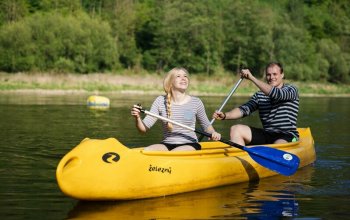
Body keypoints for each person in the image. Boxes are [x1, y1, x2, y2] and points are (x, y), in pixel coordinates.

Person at [131, 67, 221, 151]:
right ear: (170, 82)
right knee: (147, 151)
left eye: (185, 76)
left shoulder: (196, 102)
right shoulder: (160, 101)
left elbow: (206, 126)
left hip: (190, 144)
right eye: (178, 76)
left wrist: (213, 133)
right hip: (166, 144)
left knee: (174, 153)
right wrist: (137, 117)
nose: (183, 78)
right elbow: (143, 129)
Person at [213, 62, 299, 146]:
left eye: (275, 74)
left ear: (282, 75)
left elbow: (276, 94)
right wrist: (224, 115)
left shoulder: (291, 89)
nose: (271, 77)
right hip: (267, 134)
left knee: (278, 145)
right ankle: (240, 158)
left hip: (287, 135)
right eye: (268, 74)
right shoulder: (259, 95)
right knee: (236, 129)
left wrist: (252, 78)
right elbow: (244, 110)